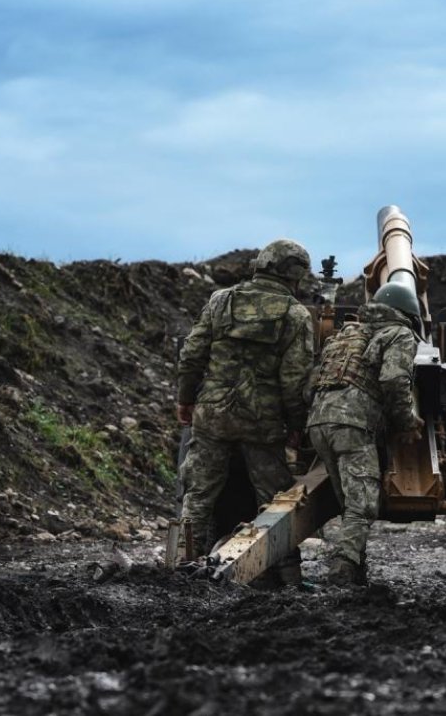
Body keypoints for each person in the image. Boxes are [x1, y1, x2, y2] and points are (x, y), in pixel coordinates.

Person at [176, 239, 315, 584]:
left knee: (199, 493)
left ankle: (182, 565)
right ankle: (289, 577)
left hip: (212, 415)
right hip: (261, 422)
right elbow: (294, 379)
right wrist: (297, 424)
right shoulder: (295, 314)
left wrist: (185, 399)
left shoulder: (221, 301)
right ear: (296, 277)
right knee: (276, 500)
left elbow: (192, 355)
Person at [307, 283, 424, 586]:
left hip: (319, 422)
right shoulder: (399, 334)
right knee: (362, 504)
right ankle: (343, 569)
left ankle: (357, 567)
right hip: (352, 424)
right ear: (409, 313)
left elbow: (314, 376)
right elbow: (394, 379)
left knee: (348, 501)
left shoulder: (345, 334)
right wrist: (407, 422)